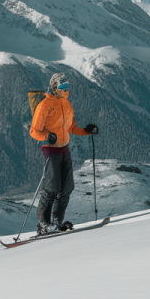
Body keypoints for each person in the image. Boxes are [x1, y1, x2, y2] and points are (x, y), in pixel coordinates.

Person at [29, 73, 99, 235]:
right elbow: (34, 131)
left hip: (64, 148)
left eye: (67, 88)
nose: (65, 91)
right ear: (54, 87)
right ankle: (43, 223)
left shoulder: (66, 104)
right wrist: (47, 136)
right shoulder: (44, 105)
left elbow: (71, 128)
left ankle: (56, 222)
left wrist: (87, 131)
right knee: (51, 187)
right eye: (62, 88)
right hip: (51, 149)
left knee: (67, 187)